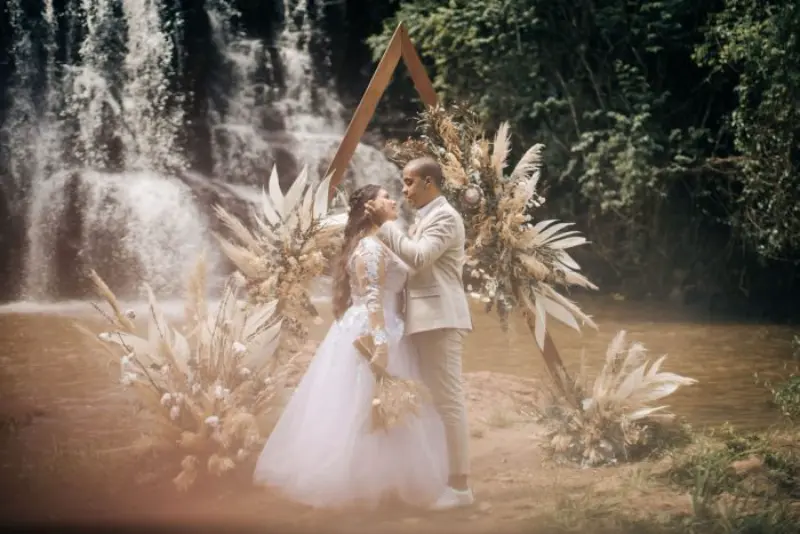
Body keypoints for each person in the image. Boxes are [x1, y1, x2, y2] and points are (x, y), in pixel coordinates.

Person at [253, 184, 448, 510]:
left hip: (389, 325)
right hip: (374, 329)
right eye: (385, 197)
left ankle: (389, 479)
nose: (393, 200)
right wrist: (381, 344)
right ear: (370, 207)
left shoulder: (382, 241)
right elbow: (372, 297)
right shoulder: (370, 248)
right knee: (364, 402)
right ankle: (359, 481)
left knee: (390, 404)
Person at [366, 157, 474, 511]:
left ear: (430, 182)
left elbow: (420, 258)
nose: (404, 190)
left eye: (409, 182)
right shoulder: (425, 216)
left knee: (449, 402)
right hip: (422, 322)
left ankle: (460, 488)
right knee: (434, 403)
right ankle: (435, 477)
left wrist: (384, 225)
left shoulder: (445, 216)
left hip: (440, 320)